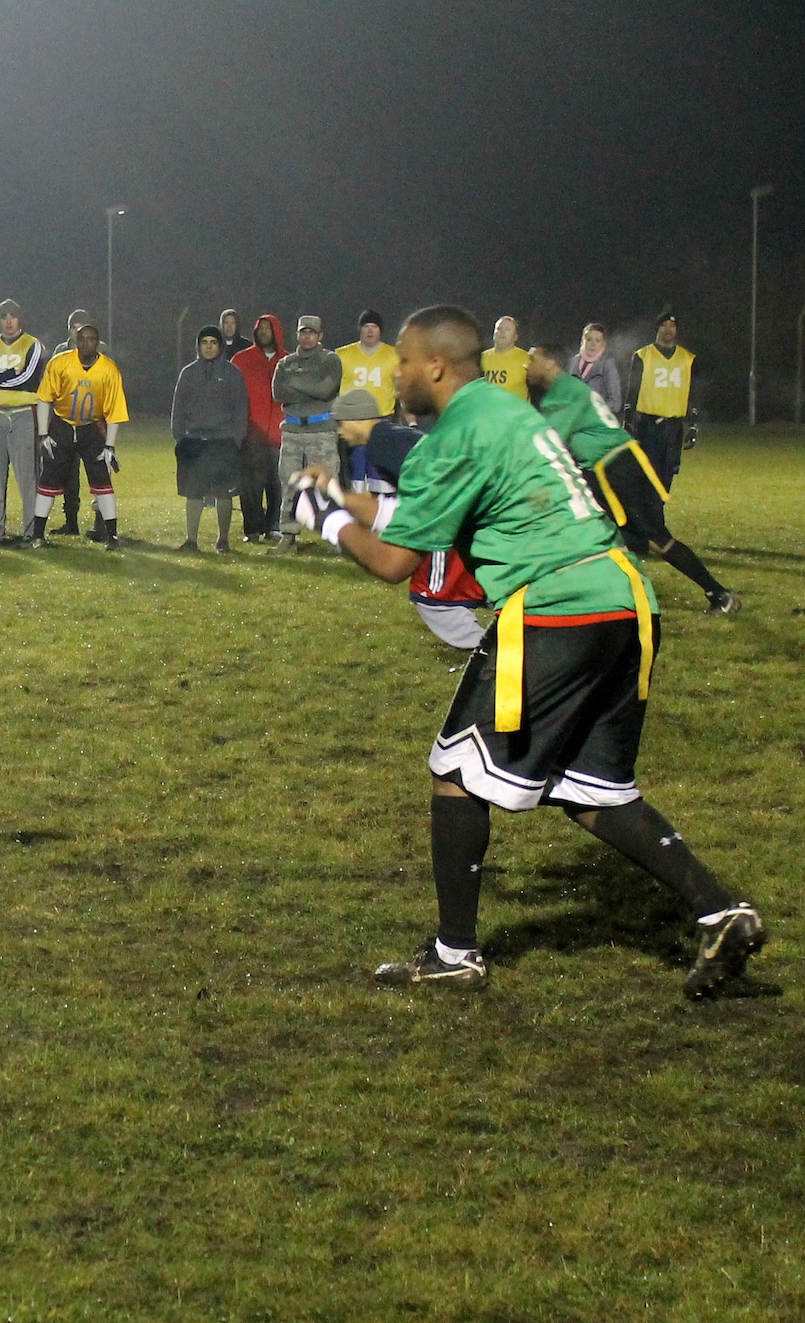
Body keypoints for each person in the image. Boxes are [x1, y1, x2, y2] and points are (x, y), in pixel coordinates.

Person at [288, 304, 765, 997]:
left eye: (404, 361)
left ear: (437, 366)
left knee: (454, 770)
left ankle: (454, 954)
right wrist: (340, 494)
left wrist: (324, 519)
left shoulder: (455, 434)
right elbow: (417, 513)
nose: (394, 373)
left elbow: (396, 559)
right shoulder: (498, 414)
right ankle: (722, 911)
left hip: (556, 609)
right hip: (624, 602)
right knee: (594, 788)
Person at [525, 344, 738, 615]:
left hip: (619, 468)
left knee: (657, 540)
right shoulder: (562, 389)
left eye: (534, 359)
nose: (527, 364)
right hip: (602, 470)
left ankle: (719, 594)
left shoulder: (564, 392)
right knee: (591, 530)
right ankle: (595, 599)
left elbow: (548, 440)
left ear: (550, 364)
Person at [331, 389, 487, 649]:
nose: (339, 431)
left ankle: (486, 651)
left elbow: (433, 487)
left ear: (358, 419)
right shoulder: (389, 436)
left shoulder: (382, 442)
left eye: (341, 422)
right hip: (466, 509)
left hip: (453, 514)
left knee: (433, 593)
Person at [31, 323, 128, 550]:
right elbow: (44, 398)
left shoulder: (109, 369)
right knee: (48, 480)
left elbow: (115, 411)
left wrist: (110, 446)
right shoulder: (60, 363)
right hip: (62, 425)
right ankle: (37, 535)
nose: (86, 343)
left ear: (98, 342)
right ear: (75, 340)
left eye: (91, 339)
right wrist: (43, 434)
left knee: (102, 481)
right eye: (81, 339)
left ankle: (112, 536)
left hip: (90, 427)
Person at [0, 299, 47, 548]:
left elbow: (29, 379)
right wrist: (8, 375)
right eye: (3, 316)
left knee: (27, 476)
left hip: (22, 413)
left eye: (13, 316)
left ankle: (32, 534)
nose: (8, 320)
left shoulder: (33, 344)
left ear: (20, 319)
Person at [168, 326, 248, 552]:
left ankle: (223, 540)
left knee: (224, 492)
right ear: (198, 346)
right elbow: (178, 407)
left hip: (223, 441)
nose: (209, 346)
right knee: (193, 492)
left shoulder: (233, 373)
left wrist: (237, 439)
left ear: (220, 346)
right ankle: (191, 540)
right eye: (205, 342)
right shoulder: (189, 373)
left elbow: (241, 408)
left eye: (214, 342)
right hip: (193, 441)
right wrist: (179, 437)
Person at [269, 314, 343, 553]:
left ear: (320, 335)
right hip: (292, 431)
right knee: (289, 483)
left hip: (321, 431)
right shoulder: (285, 362)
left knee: (327, 485)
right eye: (303, 332)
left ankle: (337, 537)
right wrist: (308, 386)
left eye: (311, 332)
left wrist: (296, 383)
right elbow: (278, 392)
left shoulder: (330, 360)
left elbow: (326, 390)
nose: (307, 336)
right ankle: (288, 535)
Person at [625, 312, 696, 491]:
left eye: (672, 325)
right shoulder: (642, 355)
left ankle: (654, 515)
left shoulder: (688, 358)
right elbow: (632, 390)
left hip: (673, 427)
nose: (668, 329)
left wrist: (693, 425)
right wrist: (628, 421)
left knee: (666, 478)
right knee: (646, 477)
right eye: (663, 325)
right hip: (648, 425)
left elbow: (693, 393)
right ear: (657, 328)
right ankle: (650, 517)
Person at [231, 314, 286, 543]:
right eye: (260, 328)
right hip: (250, 432)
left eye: (268, 328)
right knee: (250, 483)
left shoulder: (288, 361)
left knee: (277, 483)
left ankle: (274, 526)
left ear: (277, 332)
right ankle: (252, 528)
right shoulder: (241, 360)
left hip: (280, 433)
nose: (264, 331)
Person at [335, 310, 399, 492]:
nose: (370, 331)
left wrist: (410, 421)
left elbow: (401, 391)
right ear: (360, 329)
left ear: (380, 330)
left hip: (382, 419)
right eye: (366, 327)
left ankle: (379, 512)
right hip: (351, 422)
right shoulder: (342, 355)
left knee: (379, 474)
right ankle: (354, 510)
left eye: (374, 327)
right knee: (352, 472)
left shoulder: (394, 355)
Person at [51, 308, 92, 536]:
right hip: (66, 420)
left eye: (83, 327)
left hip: (93, 420)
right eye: (75, 327)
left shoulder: (100, 350)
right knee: (69, 473)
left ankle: (102, 524)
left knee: (98, 471)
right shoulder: (60, 351)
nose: (79, 331)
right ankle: (71, 521)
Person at [570, 322, 620, 414]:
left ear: (603, 344)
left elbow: (615, 403)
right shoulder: (573, 361)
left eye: (597, 341)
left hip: (594, 421)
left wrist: (594, 410)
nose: (593, 344)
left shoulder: (607, 364)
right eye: (589, 340)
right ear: (582, 341)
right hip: (573, 420)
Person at [480, 315, 531, 401]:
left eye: (507, 329)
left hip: (514, 413)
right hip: (488, 412)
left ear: (515, 336)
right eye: (499, 329)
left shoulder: (526, 358)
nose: (502, 332)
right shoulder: (481, 358)